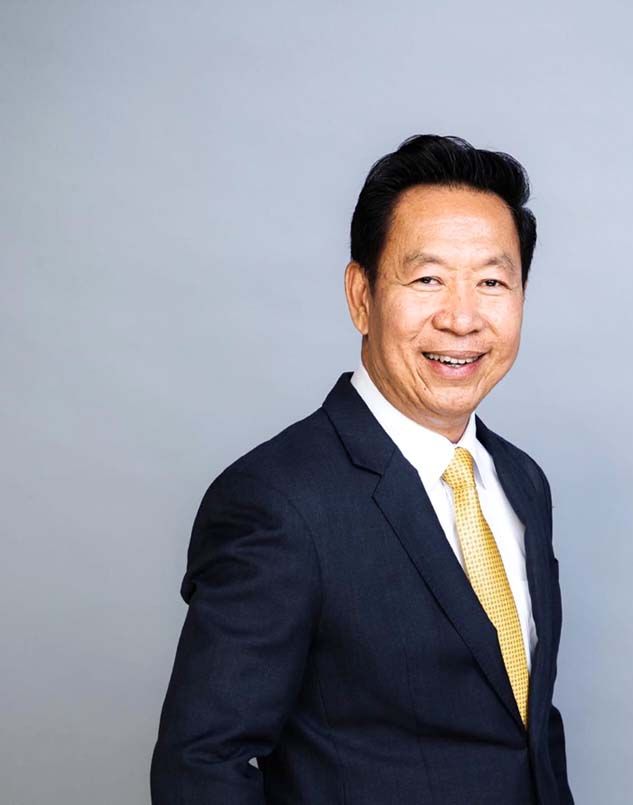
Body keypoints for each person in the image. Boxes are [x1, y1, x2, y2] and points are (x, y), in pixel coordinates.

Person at [150, 134, 574, 804]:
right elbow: (200, 765)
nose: (462, 318)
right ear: (360, 295)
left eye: (492, 282)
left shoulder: (522, 481)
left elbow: (525, 731)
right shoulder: (278, 501)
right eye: (428, 279)